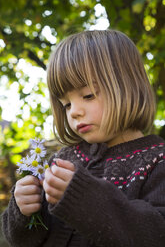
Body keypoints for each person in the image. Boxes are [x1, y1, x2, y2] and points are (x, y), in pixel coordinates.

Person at [2, 29, 165, 247]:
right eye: (66, 104)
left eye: (88, 95)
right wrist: (23, 210)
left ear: (127, 87)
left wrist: (87, 198)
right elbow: (23, 240)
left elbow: (156, 234)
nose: (74, 112)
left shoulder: (157, 162)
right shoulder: (64, 159)